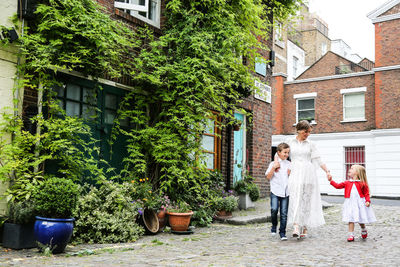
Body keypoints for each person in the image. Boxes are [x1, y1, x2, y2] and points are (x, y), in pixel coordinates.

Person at [285, 120, 331, 239]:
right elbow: (280, 154)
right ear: (299, 130)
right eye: (306, 132)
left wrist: (327, 171)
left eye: (309, 132)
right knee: (295, 197)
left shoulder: (311, 144)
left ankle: (304, 226)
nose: (308, 134)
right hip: (295, 172)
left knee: (306, 201)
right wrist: (276, 165)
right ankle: (296, 225)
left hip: (308, 174)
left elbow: (318, 159)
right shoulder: (289, 142)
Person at [328, 164, 376, 242]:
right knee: (351, 219)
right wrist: (331, 180)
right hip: (350, 203)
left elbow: (366, 193)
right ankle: (351, 234)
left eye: (352, 168)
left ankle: (363, 228)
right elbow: (337, 186)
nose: (350, 169)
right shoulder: (347, 182)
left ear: (357, 172)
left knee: (360, 219)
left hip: (359, 203)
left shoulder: (362, 183)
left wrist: (367, 201)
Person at [265, 142, 291, 241]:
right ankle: (274, 225)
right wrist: (274, 168)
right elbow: (268, 177)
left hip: (286, 192)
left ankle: (282, 233)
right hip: (275, 191)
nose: (286, 155)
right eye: (285, 152)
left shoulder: (289, 164)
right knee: (274, 210)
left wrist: (290, 174)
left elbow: (292, 178)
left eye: (288, 153)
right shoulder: (273, 164)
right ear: (279, 152)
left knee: (284, 213)